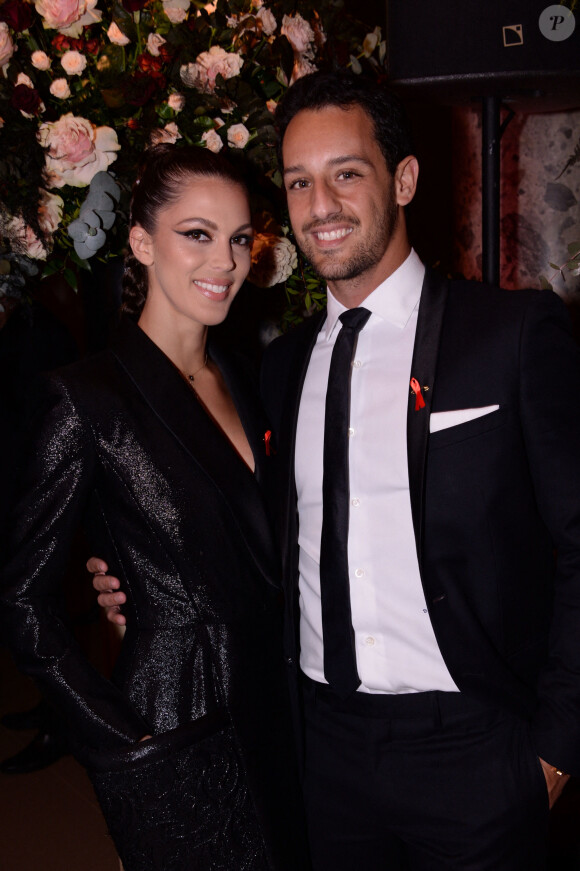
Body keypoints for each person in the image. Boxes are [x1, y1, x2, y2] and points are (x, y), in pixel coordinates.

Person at [92, 72, 580, 870]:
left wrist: (555, 749)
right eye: (298, 181)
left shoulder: (512, 336)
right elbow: (251, 535)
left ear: (405, 178)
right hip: (320, 750)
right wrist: (146, 581)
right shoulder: (276, 370)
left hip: (475, 744)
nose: (320, 204)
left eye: (346, 173)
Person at [1, 144, 308, 871]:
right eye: (196, 234)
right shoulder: (86, 398)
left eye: (238, 239)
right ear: (142, 242)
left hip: (283, 710)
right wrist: (115, 735)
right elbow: (20, 598)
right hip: (176, 724)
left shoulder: (246, 372)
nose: (225, 262)